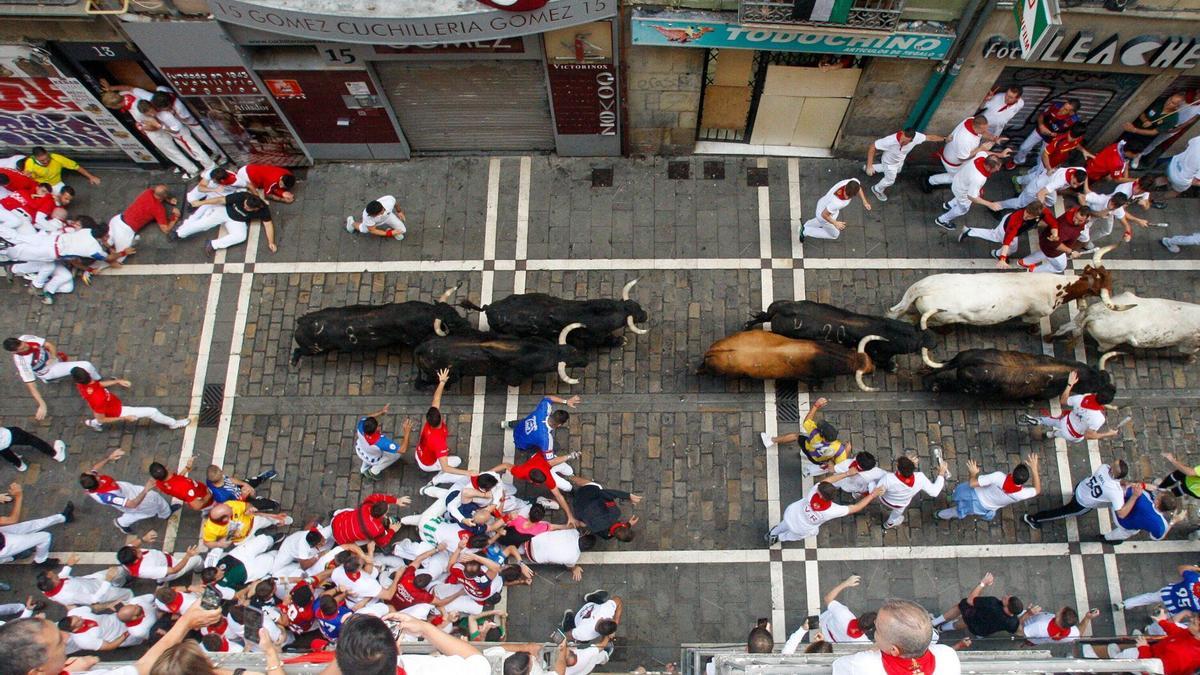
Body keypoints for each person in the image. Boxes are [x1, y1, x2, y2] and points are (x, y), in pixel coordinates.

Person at [831, 599, 961, 674]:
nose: (874, 625)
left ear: (894, 650)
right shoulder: (947, 656)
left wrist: (872, 650)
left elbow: (837, 666)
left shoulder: (862, 664)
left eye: (878, 629)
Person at [100, 90, 202, 178]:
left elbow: (154, 123)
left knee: (171, 151)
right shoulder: (126, 94)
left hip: (157, 132)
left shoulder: (137, 111)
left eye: (112, 107)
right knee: (174, 150)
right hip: (160, 127)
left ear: (116, 105)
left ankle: (192, 170)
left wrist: (142, 127)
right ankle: (184, 166)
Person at [4, 334, 102, 421]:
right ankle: (98, 382)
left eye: (23, 343)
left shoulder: (26, 338)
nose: (26, 346)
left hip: (53, 360)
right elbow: (31, 386)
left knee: (74, 366)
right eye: (22, 348)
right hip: (49, 370)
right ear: (15, 352)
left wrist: (53, 357)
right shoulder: (22, 363)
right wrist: (42, 404)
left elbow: (48, 345)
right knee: (86, 365)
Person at [80, 449, 177, 534]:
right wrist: (145, 490)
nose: (94, 472)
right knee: (149, 506)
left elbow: (95, 468)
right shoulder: (107, 496)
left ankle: (122, 522)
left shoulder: (90, 481)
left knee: (152, 500)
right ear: (96, 481)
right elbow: (132, 504)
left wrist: (109, 458)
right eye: (95, 475)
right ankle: (165, 513)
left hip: (125, 489)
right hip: (130, 499)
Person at [766, 477, 883, 544]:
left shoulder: (813, 491)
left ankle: (772, 534)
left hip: (791, 513)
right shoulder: (832, 510)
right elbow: (856, 507)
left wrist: (846, 473)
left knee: (783, 524)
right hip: (802, 528)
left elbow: (827, 480)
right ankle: (778, 538)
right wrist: (872, 495)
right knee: (797, 535)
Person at [1083, 608, 1200, 675]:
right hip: (1152, 654)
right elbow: (1178, 632)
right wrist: (1162, 622)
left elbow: (1150, 671)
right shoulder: (1192, 636)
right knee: (1124, 654)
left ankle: (1097, 667)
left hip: (1146, 660)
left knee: (1121, 660)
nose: (1190, 620)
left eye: (1194, 623)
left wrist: (1144, 648)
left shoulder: (1182, 657)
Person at [1024, 460, 1133, 530]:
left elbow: (1107, 481)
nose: (1110, 465)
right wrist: (1134, 496)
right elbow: (1121, 513)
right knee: (1060, 513)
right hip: (1083, 503)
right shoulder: (1116, 492)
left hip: (1081, 487)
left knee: (1067, 505)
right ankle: (1033, 518)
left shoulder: (1104, 468)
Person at [72, 368, 189, 431]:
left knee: (98, 418)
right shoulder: (97, 399)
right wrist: (124, 418)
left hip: (110, 405)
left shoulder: (83, 385)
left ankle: (93, 423)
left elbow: (97, 385)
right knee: (152, 412)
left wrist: (117, 381)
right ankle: (173, 424)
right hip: (117, 410)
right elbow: (102, 418)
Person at [761, 397, 849, 476]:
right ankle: (807, 469)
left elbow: (807, 421)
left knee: (796, 436)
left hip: (807, 447)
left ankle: (771, 440)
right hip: (817, 460)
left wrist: (816, 406)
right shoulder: (839, 449)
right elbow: (840, 467)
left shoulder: (815, 434)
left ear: (822, 435)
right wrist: (846, 451)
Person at [936, 455, 1040, 522]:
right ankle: (938, 515)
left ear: (1013, 473)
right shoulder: (1022, 494)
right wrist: (1035, 470)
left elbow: (973, 483)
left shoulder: (998, 477)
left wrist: (973, 473)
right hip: (982, 507)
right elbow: (1037, 489)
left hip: (972, 493)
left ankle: (950, 498)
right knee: (956, 512)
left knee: (958, 493)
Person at [1020, 371, 1116, 442]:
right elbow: (1089, 435)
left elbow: (1063, 401)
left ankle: (1039, 420)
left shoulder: (1082, 398)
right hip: (1073, 434)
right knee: (1059, 434)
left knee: (1052, 420)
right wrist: (1108, 433)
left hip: (1065, 420)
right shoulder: (1099, 419)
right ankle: (1050, 434)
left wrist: (1070, 384)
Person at [411, 368, 469, 485]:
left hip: (420, 453)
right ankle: (436, 479)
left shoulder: (429, 423)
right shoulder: (439, 442)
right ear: (441, 418)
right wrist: (467, 473)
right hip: (428, 463)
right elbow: (446, 467)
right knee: (456, 461)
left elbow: (436, 399)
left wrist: (442, 382)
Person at [175, 190, 277, 254]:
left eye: (247, 208)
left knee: (240, 236)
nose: (244, 207)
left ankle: (213, 244)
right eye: (245, 204)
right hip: (224, 212)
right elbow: (220, 200)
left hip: (237, 221)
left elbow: (268, 225)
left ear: (256, 209)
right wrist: (201, 202)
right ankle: (179, 233)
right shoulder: (242, 196)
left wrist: (271, 242)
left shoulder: (264, 210)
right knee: (203, 224)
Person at [931, 572, 1024, 638]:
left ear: (1007, 607)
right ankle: (941, 628)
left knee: (961, 606)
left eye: (1006, 599)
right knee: (964, 623)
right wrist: (1029, 614)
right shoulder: (1012, 622)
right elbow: (1019, 631)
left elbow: (970, 600)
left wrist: (983, 583)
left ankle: (934, 622)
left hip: (972, 614)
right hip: (980, 629)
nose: (1005, 596)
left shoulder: (992, 603)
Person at [0, 482, 72, 564]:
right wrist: (19, 496)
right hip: (4, 545)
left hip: (3, 535)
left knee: (30, 526)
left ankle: (62, 518)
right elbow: (12, 519)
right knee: (45, 537)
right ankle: (41, 560)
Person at [864, 127, 942, 202]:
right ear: (902, 133)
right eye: (902, 139)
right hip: (889, 163)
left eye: (905, 142)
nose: (901, 142)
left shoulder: (917, 137)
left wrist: (945, 139)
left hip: (899, 161)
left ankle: (871, 168)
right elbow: (872, 147)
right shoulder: (890, 140)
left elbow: (930, 138)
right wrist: (869, 165)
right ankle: (877, 189)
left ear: (912, 140)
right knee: (890, 180)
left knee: (898, 170)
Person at [871, 454, 948, 530]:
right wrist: (941, 473)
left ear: (898, 469)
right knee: (896, 515)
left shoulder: (888, 478)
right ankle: (888, 524)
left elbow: (878, 490)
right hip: (900, 505)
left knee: (871, 483)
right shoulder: (920, 478)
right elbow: (934, 492)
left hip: (884, 499)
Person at [933, 152, 1005, 231]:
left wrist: (1000, 154)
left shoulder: (981, 156)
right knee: (962, 209)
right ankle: (942, 220)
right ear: (988, 167)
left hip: (958, 182)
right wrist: (989, 204)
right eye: (996, 169)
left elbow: (985, 151)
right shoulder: (979, 178)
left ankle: (948, 205)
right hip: (963, 192)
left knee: (959, 197)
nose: (998, 170)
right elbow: (971, 197)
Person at [958, 202, 1043, 265]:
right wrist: (1003, 258)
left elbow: (1052, 222)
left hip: (1008, 222)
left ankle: (970, 231)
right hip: (1008, 229)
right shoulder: (1016, 220)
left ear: (1035, 216)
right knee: (1008, 245)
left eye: (1029, 216)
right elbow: (1007, 240)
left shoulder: (1040, 211)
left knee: (995, 235)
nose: (1025, 217)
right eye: (1026, 213)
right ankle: (997, 254)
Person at [503, 393, 581, 461]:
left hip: (520, 427)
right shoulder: (546, 438)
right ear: (559, 425)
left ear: (552, 414)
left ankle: (505, 424)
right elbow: (550, 460)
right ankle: (533, 457)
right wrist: (570, 456)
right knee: (556, 447)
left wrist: (566, 401)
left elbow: (548, 398)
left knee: (519, 422)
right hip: (521, 444)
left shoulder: (543, 409)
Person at [36, 553, 132, 607]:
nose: (56, 573)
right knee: (128, 593)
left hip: (92, 580)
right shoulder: (69, 595)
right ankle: (131, 603)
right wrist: (107, 580)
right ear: (55, 582)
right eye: (54, 575)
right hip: (101, 592)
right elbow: (94, 599)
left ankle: (118, 583)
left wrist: (69, 565)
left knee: (119, 571)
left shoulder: (46, 587)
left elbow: (61, 576)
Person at [1018, 205, 1092, 274]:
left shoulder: (1074, 210)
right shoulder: (1064, 228)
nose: (1076, 222)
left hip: (1046, 242)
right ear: (1075, 213)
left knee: (1044, 252)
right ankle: (1034, 271)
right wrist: (1071, 252)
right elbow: (1056, 244)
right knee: (1060, 267)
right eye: (1076, 218)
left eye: (1080, 221)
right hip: (1054, 249)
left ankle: (1024, 262)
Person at [1017, 124, 1091, 190]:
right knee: (1036, 176)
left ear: (1080, 136)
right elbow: (1044, 154)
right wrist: (1049, 169)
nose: (1070, 139)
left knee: (1037, 172)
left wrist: (1083, 150)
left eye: (1073, 138)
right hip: (1047, 164)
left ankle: (1030, 173)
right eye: (1070, 135)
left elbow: (1076, 144)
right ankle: (1018, 180)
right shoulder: (1059, 140)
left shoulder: (1078, 139)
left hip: (1056, 164)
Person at [566, 476, 641, 542]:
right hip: (577, 507)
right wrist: (628, 524)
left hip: (585, 494)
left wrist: (627, 496)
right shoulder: (603, 533)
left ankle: (570, 477)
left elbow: (604, 494)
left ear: (623, 526)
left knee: (597, 486)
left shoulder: (615, 513)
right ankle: (571, 492)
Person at [925, 114, 992, 188]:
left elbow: (982, 133)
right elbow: (962, 158)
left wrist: (993, 138)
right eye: (983, 130)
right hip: (953, 161)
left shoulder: (971, 120)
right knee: (957, 178)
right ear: (976, 127)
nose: (986, 131)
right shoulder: (965, 139)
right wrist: (980, 149)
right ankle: (929, 180)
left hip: (953, 152)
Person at [1117, 93, 1188, 160]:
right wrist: (1145, 120)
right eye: (1170, 99)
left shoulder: (1173, 119)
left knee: (1126, 153)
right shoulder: (1159, 102)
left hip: (1143, 138)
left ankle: (1135, 157)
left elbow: (1153, 132)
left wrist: (1134, 130)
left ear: (1177, 107)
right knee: (1117, 145)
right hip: (1133, 128)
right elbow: (1141, 111)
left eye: (1173, 103)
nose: (1168, 103)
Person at [1013, 98, 1082, 166]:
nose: (1061, 109)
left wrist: (1056, 135)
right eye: (1064, 106)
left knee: (1042, 158)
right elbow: (1042, 115)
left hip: (1052, 139)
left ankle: (1035, 172)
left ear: (1071, 112)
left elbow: (1069, 135)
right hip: (1041, 130)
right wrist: (1041, 126)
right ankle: (1018, 161)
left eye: (1066, 110)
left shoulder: (1073, 121)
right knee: (1024, 147)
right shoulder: (1056, 105)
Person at [800, 178, 871, 241]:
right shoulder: (838, 203)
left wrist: (864, 201)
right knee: (834, 234)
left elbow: (859, 188)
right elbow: (824, 214)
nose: (846, 197)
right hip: (824, 215)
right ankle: (805, 231)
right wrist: (835, 223)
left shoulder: (850, 182)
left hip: (824, 204)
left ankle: (806, 225)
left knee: (823, 219)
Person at [997, 164, 1087, 214]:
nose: (1075, 186)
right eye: (1074, 183)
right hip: (1037, 187)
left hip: (1047, 180)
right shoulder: (1060, 181)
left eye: (1078, 184)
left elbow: (1085, 177)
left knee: (1052, 201)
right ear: (1072, 175)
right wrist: (1041, 205)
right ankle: (998, 205)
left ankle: (1018, 180)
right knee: (1020, 203)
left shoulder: (1081, 170)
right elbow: (1041, 193)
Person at [1105, 485, 1182, 543]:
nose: (1157, 494)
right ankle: (1106, 538)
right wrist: (1173, 521)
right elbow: (1157, 537)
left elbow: (1124, 490)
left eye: (1159, 496)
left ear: (1157, 502)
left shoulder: (1143, 496)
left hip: (1117, 510)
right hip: (1126, 526)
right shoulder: (1161, 525)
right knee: (1125, 533)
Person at [355, 404, 412, 480]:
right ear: (375, 430)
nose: (379, 426)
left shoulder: (361, 424)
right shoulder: (380, 441)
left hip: (361, 450)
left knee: (369, 453)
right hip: (374, 458)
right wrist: (407, 432)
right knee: (397, 454)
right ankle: (373, 471)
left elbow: (369, 417)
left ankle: (363, 469)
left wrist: (382, 412)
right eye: (378, 426)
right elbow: (403, 449)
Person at [201, 500, 291, 548]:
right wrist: (219, 544)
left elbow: (247, 505)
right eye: (230, 511)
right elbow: (207, 543)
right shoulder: (210, 529)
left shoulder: (229, 504)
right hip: (241, 540)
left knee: (267, 520)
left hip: (252, 521)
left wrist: (250, 509)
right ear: (225, 519)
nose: (232, 508)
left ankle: (278, 520)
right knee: (259, 546)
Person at [117, 536, 202, 584]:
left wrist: (143, 539)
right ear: (135, 561)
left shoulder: (125, 556)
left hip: (162, 565)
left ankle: (160, 580)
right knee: (197, 559)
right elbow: (174, 570)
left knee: (159, 574)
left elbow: (132, 544)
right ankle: (199, 570)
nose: (138, 549)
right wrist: (188, 556)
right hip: (172, 567)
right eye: (137, 552)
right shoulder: (146, 569)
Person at [816, 575, 874, 644]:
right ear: (869, 629)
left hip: (822, 624)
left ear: (862, 616)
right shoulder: (863, 641)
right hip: (828, 642)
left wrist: (846, 583)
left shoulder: (843, 613)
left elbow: (827, 598)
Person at [1118, 564, 1200, 613]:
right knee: (1167, 621)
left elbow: (1181, 568)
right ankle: (1152, 627)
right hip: (1176, 609)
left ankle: (1125, 604)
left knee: (1148, 598)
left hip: (1168, 594)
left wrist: (1197, 568)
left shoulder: (1195, 579)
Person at [113, 184, 181, 239]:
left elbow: (159, 196)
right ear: (163, 196)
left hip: (118, 219)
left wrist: (168, 199)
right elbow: (166, 230)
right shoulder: (158, 209)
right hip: (127, 229)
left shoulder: (148, 192)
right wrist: (175, 218)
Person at [21, 147, 100, 193]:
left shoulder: (57, 158)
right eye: (42, 161)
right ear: (35, 157)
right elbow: (27, 172)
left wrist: (91, 177)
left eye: (47, 158)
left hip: (56, 184)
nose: (46, 162)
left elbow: (75, 166)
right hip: (40, 185)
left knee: (63, 199)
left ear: (48, 154)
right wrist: (27, 175)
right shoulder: (30, 162)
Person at [1152, 135, 1200, 209]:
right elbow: (1195, 181)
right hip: (1180, 179)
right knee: (1175, 192)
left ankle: (1143, 186)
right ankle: (1156, 200)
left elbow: (1187, 144)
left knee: (1165, 179)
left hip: (1173, 164)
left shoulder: (1198, 139)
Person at [205, 464, 278, 511]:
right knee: (262, 504)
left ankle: (261, 478)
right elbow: (235, 506)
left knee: (251, 481)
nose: (222, 471)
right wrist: (244, 495)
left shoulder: (212, 479)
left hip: (238, 490)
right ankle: (271, 504)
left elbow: (229, 479)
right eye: (221, 471)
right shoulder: (222, 497)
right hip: (240, 501)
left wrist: (244, 484)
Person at [1018, 605, 1098, 645]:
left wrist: (1028, 613)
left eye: (1061, 611)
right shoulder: (1070, 634)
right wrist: (1087, 618)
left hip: (1024, 624)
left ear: (1059, 619)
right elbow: (1079, 634)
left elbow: (1018, 631)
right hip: (1036, 640)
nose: (1061, 608)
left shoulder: (1039, 626)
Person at [0, 424, 65, 472]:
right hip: (6, 435)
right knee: (30, 439)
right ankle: (56, 454)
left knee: (4, 451)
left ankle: (20, 465)